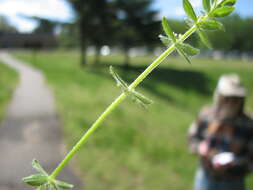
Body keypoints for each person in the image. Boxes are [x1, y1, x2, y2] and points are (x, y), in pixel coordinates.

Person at [188, 74, 253, 190]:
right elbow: (192, 138)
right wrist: (200, 148)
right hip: (205, 178)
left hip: (233, 182)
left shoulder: (248, 123)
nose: (231, 103)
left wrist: (234, 163)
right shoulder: (206, 115)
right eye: (226, 98)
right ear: (218, 97)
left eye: (236, 99)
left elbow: (250, 157)